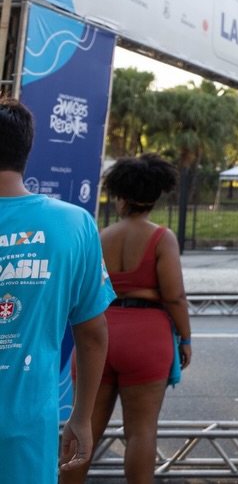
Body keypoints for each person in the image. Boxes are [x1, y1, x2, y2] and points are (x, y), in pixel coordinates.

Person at [0, 98, 112, 483]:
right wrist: (81, 417)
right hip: (27, 427)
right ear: (26, 152)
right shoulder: (74, 224)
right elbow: (93, 333)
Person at [61, 154, 192, 484]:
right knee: (141, 430)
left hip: (99, 334)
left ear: (121, 196)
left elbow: (81, 291)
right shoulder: (162, 238)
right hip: (148, 336)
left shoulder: (99, 236)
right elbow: (174, 295)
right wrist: (186, 338)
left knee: (84, 427)